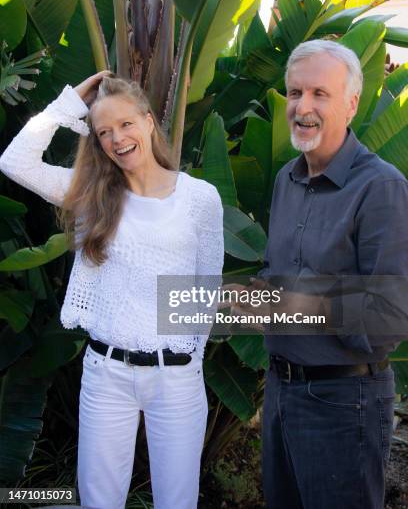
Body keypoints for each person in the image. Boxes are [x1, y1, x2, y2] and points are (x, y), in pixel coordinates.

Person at [0, 72, 224, 509]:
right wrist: (69, 104)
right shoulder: (92, 195)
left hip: (176, 377)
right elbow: (15, 162)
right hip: (107, 376)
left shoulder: (200, 198)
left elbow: (206, 289)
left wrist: (186, 362)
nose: (117, 139)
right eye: (104, 132)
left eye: (125, 124)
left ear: (148, 121)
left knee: (177, 502)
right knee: (99, 501)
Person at [230, 40, 408, 509]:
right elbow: (279, 275)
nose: (302, 107)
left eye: (319, 94)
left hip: (343, 400)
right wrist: (255, 299)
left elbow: (390, 314)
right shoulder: (287, 179)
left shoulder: (380, 187)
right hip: (282, 393)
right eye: (294, 93)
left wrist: (293, 307)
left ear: (351, 104)